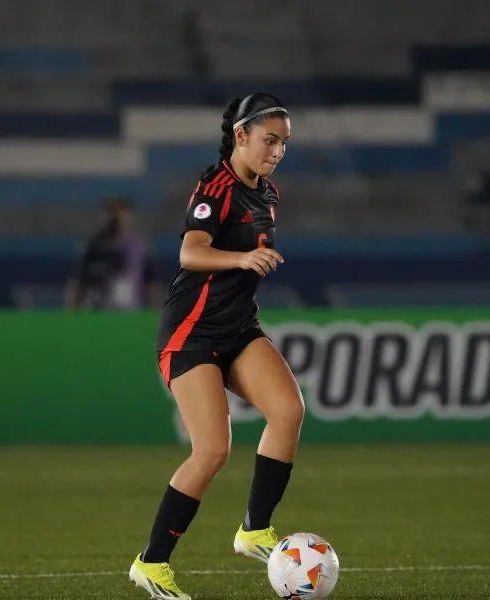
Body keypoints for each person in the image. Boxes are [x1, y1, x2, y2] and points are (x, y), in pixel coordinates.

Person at [128, 93, 303, 600]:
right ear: (241, 136)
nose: (277, 151)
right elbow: (191, 251)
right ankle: (151, 564)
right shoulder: (215, 185)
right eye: (270, 140)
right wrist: (244, 259)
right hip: (191, 332)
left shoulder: (266, 193)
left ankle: (254, 531)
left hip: (237, 328)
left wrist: (255, 259)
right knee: (212, 450)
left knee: (288, 411)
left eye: (285, 143)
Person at [63, 196, 159, 311]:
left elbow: (150, 282)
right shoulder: (94, 245)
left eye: (122, 214)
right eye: (113, 214)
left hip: (130, 310)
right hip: (99, 309)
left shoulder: (140, 247)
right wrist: (72, 310)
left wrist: (152, 312)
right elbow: (78, 281)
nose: (117, 219)